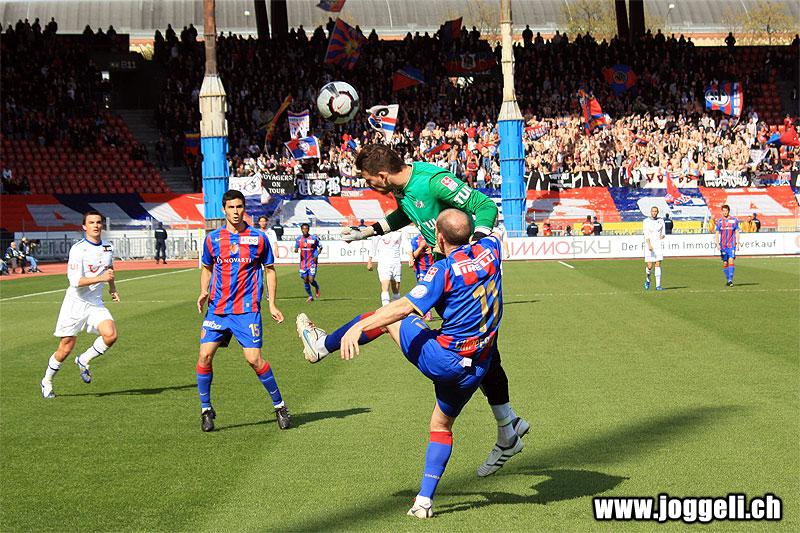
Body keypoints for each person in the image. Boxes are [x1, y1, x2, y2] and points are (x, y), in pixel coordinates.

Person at [296, 210, 509, 519]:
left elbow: (404, 307)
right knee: (440, 426)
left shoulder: (443, 270)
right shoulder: (491, 250)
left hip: (443, 358)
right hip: (476, 365)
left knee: (385, 320)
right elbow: (493, 230)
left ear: (439, 238)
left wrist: (360, 327)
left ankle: (320, 346)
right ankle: (424, 501)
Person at [340, 144, 529, 476]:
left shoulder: (433, 181)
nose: (369, 185)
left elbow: (484, 205)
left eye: (369, 180)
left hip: (459, 270)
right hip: (446, 268)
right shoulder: (402, 190)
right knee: (484, 350)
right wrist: (368, 231)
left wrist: (473, 246)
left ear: (382, 175)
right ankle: (507, 426)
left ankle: (507, 428)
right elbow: (408, 214)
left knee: (470, 347)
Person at [196, 190, 289, 432]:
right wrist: (204, 290)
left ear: (244, 208)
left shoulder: (258, 238)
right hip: (217, 309)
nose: (236, 212)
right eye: (231, 207)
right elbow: (206, 268)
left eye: (239, 207)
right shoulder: (213, 239)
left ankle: (279, 405)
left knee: (254, 359)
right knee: (204, 356)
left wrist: (271, 303)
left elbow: (270, 270)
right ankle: (206, 409)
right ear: (224, 210)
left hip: (246, 310)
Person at [40, 211, 120, 398]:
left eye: (98, 222)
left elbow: (109, 269)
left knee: (111, 335)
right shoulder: (78, 250)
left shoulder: (108, 247)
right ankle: (47, 380)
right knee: (66, 347)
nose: (96, 225)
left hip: (95, 303)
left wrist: (112, 288)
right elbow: (75, 281)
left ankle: (83, 359)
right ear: (84, 227)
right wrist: (102, 278)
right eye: (91, 222)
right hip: (75, 304)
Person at [367, 231, 403, 306]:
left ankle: (394, 308)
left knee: (395, 289)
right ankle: (385, 308)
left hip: (396, 263)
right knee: (385, 286)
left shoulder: (398, 232)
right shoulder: (378, 231)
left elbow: (404, 244)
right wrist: (370, 260)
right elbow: (373, 246)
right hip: (383, 263)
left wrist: (410, 256)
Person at [408, 232, 434, 321]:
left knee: (434, 289)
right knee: (423, 290)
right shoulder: (415, 240)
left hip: (434, 267)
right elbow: (413, 256)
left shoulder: (433, 237)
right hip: (421, 269)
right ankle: (427, 312)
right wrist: (421, 247)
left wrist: (433, 250)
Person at [294, 223, 322, 302]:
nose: (305, 230)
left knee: (311, 280)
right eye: (303, 229)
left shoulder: (313, 238)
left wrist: (316, 255)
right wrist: (296, 250)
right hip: (303, 263)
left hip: (312, 262)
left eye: (306, 228)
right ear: (301, 230)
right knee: (305, 280)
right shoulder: (298, 239)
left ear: (308, 229)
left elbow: (320, 247)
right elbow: (296, 248)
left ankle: (316, 287)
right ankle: (310, 296)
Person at [715, 204, 740, 287]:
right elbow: (717, 233)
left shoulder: (734, 220)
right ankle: (728, 279)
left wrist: (738, 243)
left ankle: (730, 280)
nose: (725, 212)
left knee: (731, 260)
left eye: (726, 211)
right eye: (723, 211)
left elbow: (737, 232)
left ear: (728, 211)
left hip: (731, 244)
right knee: (725, 263)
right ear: (722, 212)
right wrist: (717, 244)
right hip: (723, 245)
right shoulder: (719, 221)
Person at [643, 206, 666, 290]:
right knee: (649, 266)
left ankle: (658, 286)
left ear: (657, 212)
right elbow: (646, 234)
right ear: (650, 212)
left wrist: (662, 236)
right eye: (653, 211)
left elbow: (663, 233)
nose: (654, 213)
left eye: (655, 211)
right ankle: (647, 279)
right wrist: (649, 245)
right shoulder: (646, 221)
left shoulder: (661, 221)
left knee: (658, 263)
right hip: (649, 245)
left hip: (658, 245)